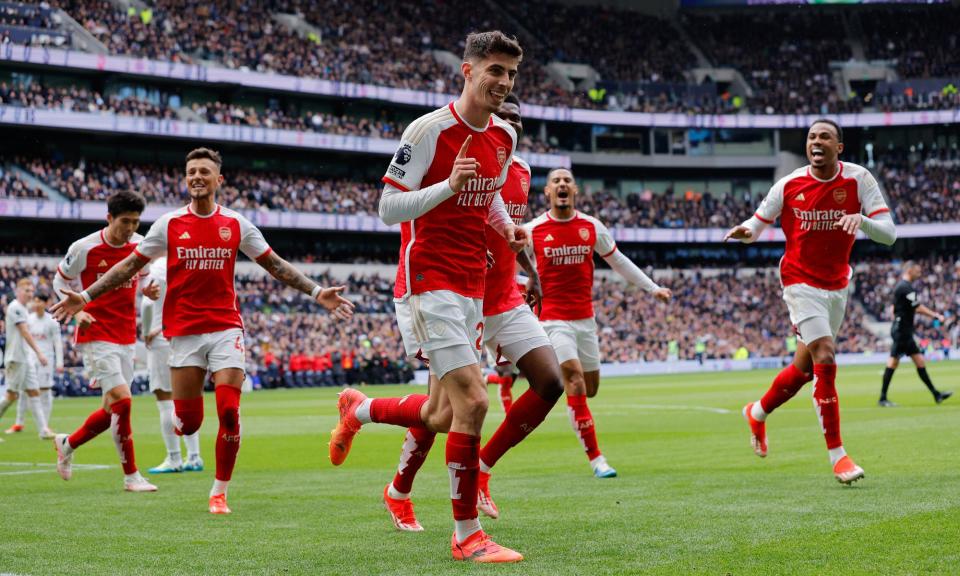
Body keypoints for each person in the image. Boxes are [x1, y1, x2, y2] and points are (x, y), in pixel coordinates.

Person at [51, 147, 354, 514]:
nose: (197, 176)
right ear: (185, 179)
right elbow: (129, 266)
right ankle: (175, 430)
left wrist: (317, 291)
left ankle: (219, 491)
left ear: (218, 180)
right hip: (183, 333)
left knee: (229, 411)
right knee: (189, 423)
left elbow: (274, 264)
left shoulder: (237, 224)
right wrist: (84, 296)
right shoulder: (168, 225)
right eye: (191, 171)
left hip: (226, 327)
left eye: (204, 172)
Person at [328, 31, 527, 563]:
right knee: (475, 403)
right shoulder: (429, 130)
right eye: (494, 71)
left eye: (510, 74)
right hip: (427, 283)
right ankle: (466, 536)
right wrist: (446, 187)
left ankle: (360, 409)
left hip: (472, 288)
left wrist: (508, 229)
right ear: (467, 71)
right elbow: (388, 209)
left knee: (440, 415)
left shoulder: (504, 136)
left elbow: (487, 202)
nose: (503, 83)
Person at [379, 93, 564, 533]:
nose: (510, 124)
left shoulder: (515, 166)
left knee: (548, 382)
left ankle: (479, 468)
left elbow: (495, 209)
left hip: (499, 296)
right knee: (447, 411)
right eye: (504, 116)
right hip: (449, 290)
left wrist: (528, 269)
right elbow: (399, 211)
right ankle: (405, 488)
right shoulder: (440, 139)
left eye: (517, 119)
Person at [727, 118, 896, 485]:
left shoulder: (858, 179)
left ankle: (756, 412)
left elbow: (890, 235)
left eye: (825, 137)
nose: (816, 141)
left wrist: (861, 220)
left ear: (839, 147)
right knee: (825, 355)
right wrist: (747, 232)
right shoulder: (788, 184)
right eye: (811, 137)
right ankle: (839, 456)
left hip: (837, 286)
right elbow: (757, 223)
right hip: (798, 281)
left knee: (804, 370)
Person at [527, 168, 672, 478]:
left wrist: (651, 287)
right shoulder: (533, 230)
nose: (562, 184)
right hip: (552, 319)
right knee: (574, 378)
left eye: (567, 180)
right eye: (556, 181)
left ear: (575, 190)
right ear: (547, 193)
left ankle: (571, 405)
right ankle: (597, 459)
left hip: (585, 320)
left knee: (589, 389)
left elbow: (618, 260)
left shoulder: (591, 227)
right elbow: (507, 264)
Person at [50, 191, 158, 492]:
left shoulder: (139, 245)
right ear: (109, 218)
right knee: (123, 401)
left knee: (113, 410)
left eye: (136, 222)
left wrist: (149, 289)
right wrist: (77, 311)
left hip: (125, 334)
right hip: (95, 332)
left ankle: (67, 443)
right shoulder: (84, 248)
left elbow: (146, 276)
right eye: (125, 221)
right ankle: (131, 476)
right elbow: (60, 281)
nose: (131, 228)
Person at [140, 256, 204, 473]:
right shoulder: (190, 262)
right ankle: (194, 456)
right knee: (188, 399)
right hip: (188, 336)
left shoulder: (158, 267)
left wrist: (147, 330)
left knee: (165, 398)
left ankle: (174, 458)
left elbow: (148, 304)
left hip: (163, 337)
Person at [879, 261, 953, 406]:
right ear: (910, 270)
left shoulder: (901, 287)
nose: (919, 274)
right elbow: (918, 308)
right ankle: (882, 398)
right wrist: (936, 316)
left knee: (919, 361)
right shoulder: (906, 288)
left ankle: (936, 394)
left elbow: (894, 308)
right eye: (917, 271)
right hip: (902, 331)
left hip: (904, 329)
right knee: (893, 362)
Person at [0, 279, 55, 439]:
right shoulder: (15, 307)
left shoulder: (24, 309)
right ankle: (42, 429)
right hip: (16, 358)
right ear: (18, 291)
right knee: (11, 396)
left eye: (31, 290)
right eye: (26, 290)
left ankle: (43, 430)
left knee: (34, 392)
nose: (30, 293)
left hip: (26, 358)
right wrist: (39, 353)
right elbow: (24, 332)